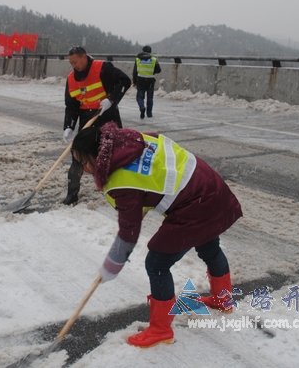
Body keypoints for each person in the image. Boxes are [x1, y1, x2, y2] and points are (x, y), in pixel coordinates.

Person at [70, 122, 243, 348]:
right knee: (208, 245)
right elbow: (148, 183)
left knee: (157, 263)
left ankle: (161, 330)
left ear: (96, 155)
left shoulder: (121, 180)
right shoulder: (129, 141)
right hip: (210, 187)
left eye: (83, 161)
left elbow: (129, 233)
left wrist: (111, 266)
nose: (82, 168)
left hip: (196, 203)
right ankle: (223, 300)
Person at [62, 46, 131, 205]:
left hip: (107, 115)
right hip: (86, 119)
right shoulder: (71, 79)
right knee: (78, 154)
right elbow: (71, 105)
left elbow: (125, 81)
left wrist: (111, 100)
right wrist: (69, 126)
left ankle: (122, 189)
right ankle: (72, 194)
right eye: (71, 63)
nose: (73, 65)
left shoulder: (102, 68)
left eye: (76, 62)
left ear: (84, 57)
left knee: (115, 153)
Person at [132, 45, 161, 119]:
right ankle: (149, 113)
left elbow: (135, 71)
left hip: (140, 80)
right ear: (150, 51)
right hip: (150, 80)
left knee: (139, 97)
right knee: (150, 97)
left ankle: (142, 107)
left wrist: (134, 81)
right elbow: (158, 70)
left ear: (143, 51)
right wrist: (152, 71)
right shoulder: (154, 59)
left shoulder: (138, 59)